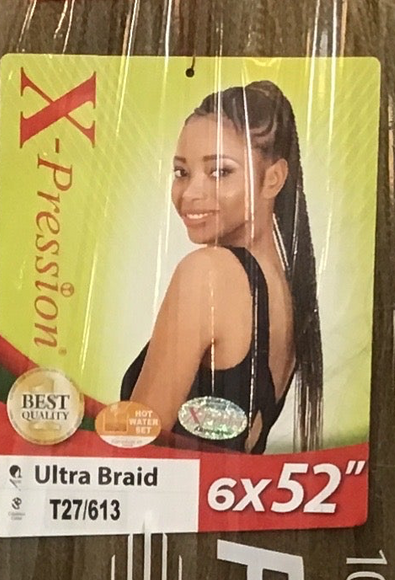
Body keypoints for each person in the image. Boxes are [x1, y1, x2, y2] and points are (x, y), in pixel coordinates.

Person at [120, 80, 324, 451]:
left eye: (219, 172)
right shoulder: (285, 289)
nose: (190, 193)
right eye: (182, 172)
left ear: (274, 179)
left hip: (173, 490)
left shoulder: (209, 274)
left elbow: (134, 447)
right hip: (229, 489)